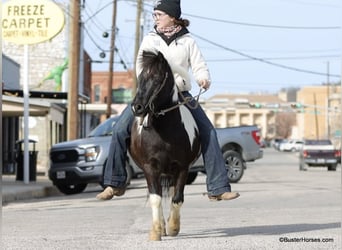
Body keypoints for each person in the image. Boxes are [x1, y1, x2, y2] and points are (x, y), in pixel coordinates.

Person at [97, 0, 240, 202]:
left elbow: (199, 65)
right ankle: (114, 183)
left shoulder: (188, 41)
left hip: (180, 94)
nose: (155, 18)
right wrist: (152, 82)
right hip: (151, 94)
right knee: (120, 129)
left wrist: (203, 77)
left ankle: (218, 187)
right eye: (154, 15)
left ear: (172, 16)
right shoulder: (150, 40)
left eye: (159, 14)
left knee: (208, 131)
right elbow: (140, 66)